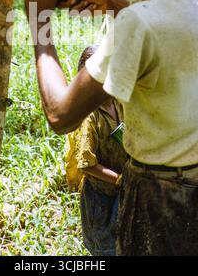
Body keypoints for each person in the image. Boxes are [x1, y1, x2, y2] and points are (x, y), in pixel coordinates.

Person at [24, 0, 198, 255]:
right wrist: (117, 2)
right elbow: (171, 32)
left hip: (161, 201)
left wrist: (40, 22)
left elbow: (61, 115)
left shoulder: (136, 26)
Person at [64, 45, 128, 256]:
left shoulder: (118, 102)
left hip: (121, 189)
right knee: (103, 247)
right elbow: (87, 165)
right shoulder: (89, 116)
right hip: (99, 195)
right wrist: (119, 179)